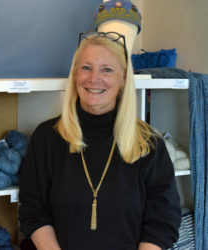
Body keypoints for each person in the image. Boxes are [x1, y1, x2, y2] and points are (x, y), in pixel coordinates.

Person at [18, 1, 181, 249]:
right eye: (86, 67)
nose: (94, 79)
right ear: (75, 74)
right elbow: (32, 211)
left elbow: (163, 221)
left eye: (107, 69)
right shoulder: (47, 137)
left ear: (123, 79)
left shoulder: (149, 144)